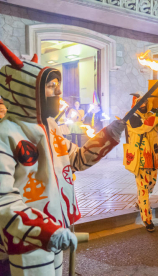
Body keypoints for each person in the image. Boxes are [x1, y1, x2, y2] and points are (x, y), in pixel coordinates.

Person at [0, 41, 125, 275]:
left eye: (58, 85)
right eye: (51, 86)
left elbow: (77, 160)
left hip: (58, 228)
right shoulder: (4, 134)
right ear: (27, 89)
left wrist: (111, 132)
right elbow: (2, 200)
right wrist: (45, 231)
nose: (59, 92)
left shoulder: (51, 127)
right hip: (28, 238)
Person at [124, 93, 158, 232]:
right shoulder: (131, 116)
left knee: (151, 185)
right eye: (140, 102)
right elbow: (144, 127)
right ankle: (147, 219)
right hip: (139, 159)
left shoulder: (152, 115)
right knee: (143, 190)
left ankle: (140, 202)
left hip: (153, 159)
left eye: (145, 102)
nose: (143, 105)